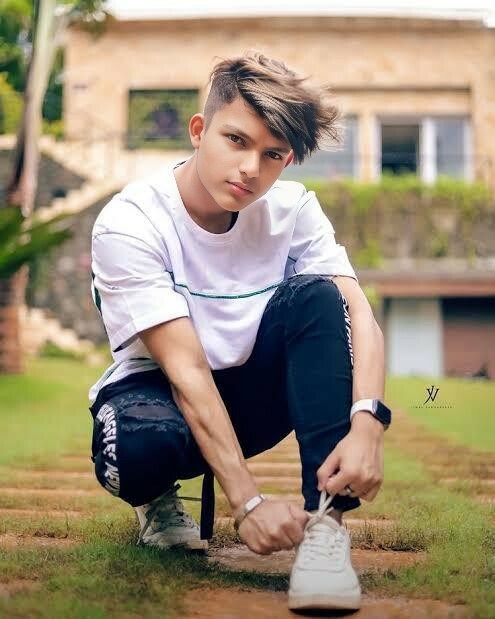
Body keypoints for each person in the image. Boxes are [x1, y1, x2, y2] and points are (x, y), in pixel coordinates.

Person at [88, 50, 391, 612]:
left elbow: (360, 316)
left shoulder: (293, 209)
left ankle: (326, 529)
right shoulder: (130, 221)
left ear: (288, 159)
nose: (251, 168)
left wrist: (369, 421)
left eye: (272, 154)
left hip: (251, 395)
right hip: (161, 396)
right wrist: (247, 502)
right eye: (236, 140)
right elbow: (186, 371)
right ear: (198, 131)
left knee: (320, 297)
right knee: (138, 445)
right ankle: (156, 500)